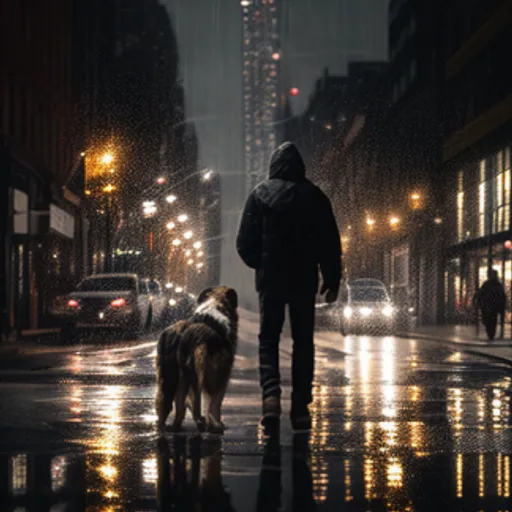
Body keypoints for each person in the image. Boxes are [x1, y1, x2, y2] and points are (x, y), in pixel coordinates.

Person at [236, 141, 341, 430]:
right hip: (304, 279)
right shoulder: (316, 197)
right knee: (303, 341)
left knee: (268, 339)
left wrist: (261, 263)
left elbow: (244, 242)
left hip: (270, 281)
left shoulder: (259, 196)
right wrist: (332, 280)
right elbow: (330, 243)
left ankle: (270, 397)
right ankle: (300, 406)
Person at [476, 269, 506, 340]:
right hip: (491, 306)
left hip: (490, 306)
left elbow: (481, 294)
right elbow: (502, 296)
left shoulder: (489, 284)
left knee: (489, 320)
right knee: (491, 320)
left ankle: (491, 333)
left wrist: (479, 302)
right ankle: (491, 333)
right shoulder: (496, 284)